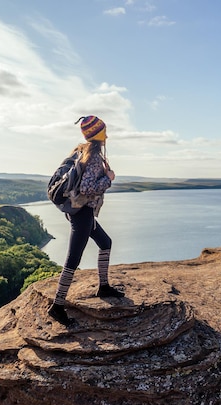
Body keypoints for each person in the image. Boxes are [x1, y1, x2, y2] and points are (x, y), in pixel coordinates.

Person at [48, 115, 124, 326]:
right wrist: (108, 179)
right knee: (73, 259)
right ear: (98, 134)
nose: (106, 135)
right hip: (82, 213)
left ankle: (103, 286)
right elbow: (87, 188)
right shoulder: (92, 156)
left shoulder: (80, 150)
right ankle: (57, 306)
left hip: (81, 211)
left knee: (105, 243)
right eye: (104, 132)